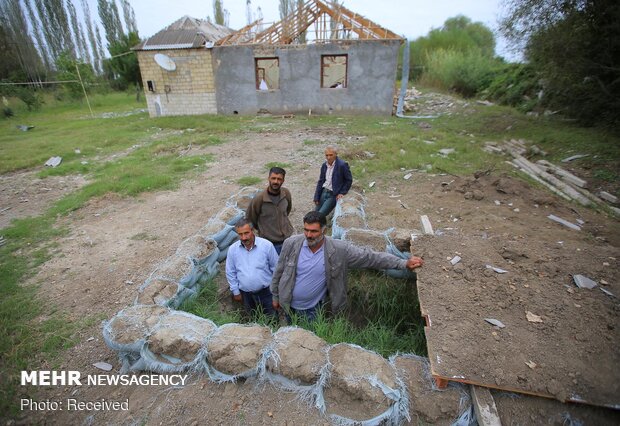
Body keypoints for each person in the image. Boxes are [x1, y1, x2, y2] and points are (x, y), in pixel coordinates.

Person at [271, 211, 424, 322]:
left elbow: (370, 257)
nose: (309, 235)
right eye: (306, 230)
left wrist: (403, 263)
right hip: (287, 306)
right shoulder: (291, 243)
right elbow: (279, 270)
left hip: (314, 311)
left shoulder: (339, 250)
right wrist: (275, 296)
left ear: (324, 230)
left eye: (313, 231)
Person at [225, 218, 278, 318]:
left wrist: (276, 293)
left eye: (246, 233)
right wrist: (235, 291)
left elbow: (276, 269)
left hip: (266, 293)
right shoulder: (233, 250)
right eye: (240, 234)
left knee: (272, 319)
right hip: (246, 295)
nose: (244, 237)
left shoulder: (266, 246)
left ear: (253, 231)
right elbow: (230, 271)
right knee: (253, 320)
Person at [246, 167, 294, 254]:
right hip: (270, 243)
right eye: (273, 178)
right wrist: (263, 230)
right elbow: (251, 218)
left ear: (283, 180)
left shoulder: (286, 193)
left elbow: (287, 211)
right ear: (268, 178)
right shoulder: (259, 199)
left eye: (279, 179)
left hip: (287, 239)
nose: (276, 181)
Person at [313, 145, 353, 217]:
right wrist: (317, 196)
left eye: (331, 155)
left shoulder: (342, 165)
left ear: (335, 154)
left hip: (333, 195)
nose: (329, 157)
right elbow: (321, 181)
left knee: (320, 215)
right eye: (327, 155)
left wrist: (342, 192)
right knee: (315, 213)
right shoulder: (324, 165)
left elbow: (349, 180)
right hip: (324, 192)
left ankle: (321, 226)